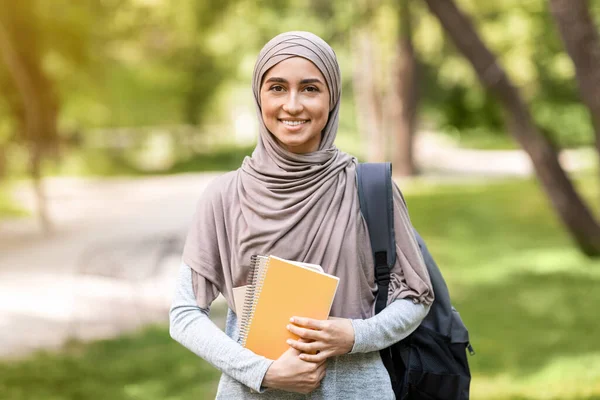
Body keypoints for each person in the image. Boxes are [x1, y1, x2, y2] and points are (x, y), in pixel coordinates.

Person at [169, 31, 434, 399]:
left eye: (310, 89)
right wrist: (264, 371)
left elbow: (416, 298)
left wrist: (355, 335)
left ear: (332, 98)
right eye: (277, 88)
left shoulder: (368, 188)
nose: (292, 105)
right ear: (259, 96)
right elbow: (184, 315)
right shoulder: (224, 196)